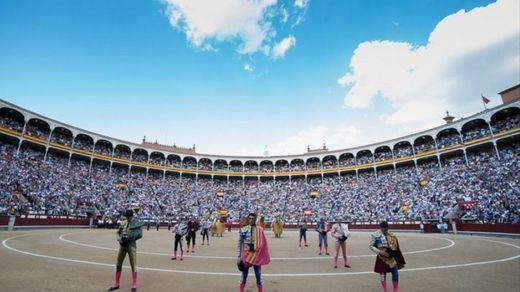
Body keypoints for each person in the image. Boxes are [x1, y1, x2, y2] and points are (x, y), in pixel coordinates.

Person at [108, 209, 143, 292]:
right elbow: (118, 233)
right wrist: (119, 239)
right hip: (122, 245)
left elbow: (140, 234)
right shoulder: (124, 222)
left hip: (131, 245)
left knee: (133, 264)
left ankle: (134, 284)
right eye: (126, 216)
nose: (126, 218)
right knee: (118, 263)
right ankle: (116, 283)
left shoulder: (136, 223)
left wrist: (130, 238)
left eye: (128, 216)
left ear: (131, 216)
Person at [237, 213, 271, 292]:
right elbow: (240, 243)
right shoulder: (243, 229)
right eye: (250, 218)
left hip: (256, 254)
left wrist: (262, 217)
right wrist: (239, 256)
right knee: (244, 275)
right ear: (248, 219)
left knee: (258, 275)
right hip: (246, 254)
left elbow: (262, 242)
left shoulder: (259, 229)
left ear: (255, 220)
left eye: (252, 219)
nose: (251, 220)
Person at [369, 221, 406, 292]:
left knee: (395, 273)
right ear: (380, 228)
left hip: (391, 258)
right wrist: (380, 252)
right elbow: (371, 246)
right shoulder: (375, 235)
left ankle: (395, 289)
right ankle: (385, 290)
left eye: (386, 229)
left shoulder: (392, 235)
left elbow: (396, 247)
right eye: (383, 229)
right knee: (383, 274)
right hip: (381, 257)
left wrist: (396, 255)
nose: (384, 231)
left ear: (388, 228)